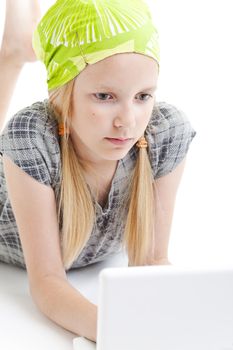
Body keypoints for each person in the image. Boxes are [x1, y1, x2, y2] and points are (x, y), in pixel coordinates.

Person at [0, 0, 196, 343]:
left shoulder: (165, 133)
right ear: (60, 94)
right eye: (104, 96)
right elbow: (47, 281)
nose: (128, 121)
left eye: (143, 96)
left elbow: (151, 261)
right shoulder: (32, 137)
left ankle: (20, 44)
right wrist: (117, 330)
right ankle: (13, 53)